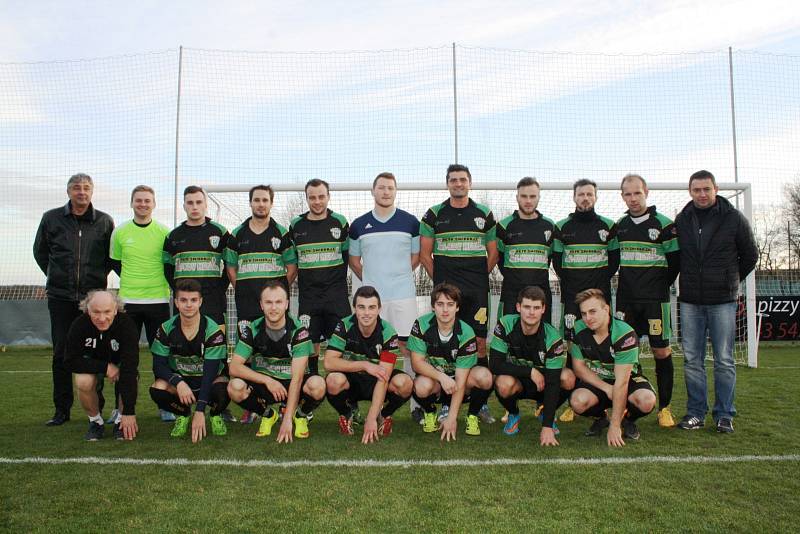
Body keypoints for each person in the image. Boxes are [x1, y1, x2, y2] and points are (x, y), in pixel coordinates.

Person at [675, 170, 757, 433]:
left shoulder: (733, 218)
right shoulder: (683, 219)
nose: (701, 194)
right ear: (690, 191)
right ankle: (696, 413)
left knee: (723, 359)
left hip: (722, 300)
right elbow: (676, 257)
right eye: (696, 189)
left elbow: (750, 255)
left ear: (716, 189)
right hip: (689, 301)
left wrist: (729, 280)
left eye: (706, 189)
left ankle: (724, 415)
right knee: (692, 360)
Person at [34, 172, 115, 426]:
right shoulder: (51, 219)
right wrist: (58, 276)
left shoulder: (104, 221)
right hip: (61, 297)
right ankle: (61, 409)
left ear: (92, 192)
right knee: (61, 353)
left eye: (86, 188)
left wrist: (95, 279)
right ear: (68, 191)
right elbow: (40, 253)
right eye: (77, 188)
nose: (82, 192)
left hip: (93, 301)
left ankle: (97, 406)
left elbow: (110, 258)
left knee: (95, 351)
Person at [419, 164, 497, 424]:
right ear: (447, 184)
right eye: (453, 180)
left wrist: (476, 279)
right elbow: (424, 255)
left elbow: (493, 253)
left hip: (476, 292)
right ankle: (444, 404)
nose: (458, 184)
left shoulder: (484, 214)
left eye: (463, 180)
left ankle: (481, 404)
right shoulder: (434, 214)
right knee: (445, 345)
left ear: (470, 183)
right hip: (447, 293)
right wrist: (441, 284)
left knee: (480, 343)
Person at [349, 172, 421, 421]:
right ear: (373, 191)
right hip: (372, 300)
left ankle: (416, 405)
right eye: (381, 187)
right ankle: (366, 403)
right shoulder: (358, 225)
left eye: (390, 188)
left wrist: (396, 276)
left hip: (402, 296)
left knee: (407, 347)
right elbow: (354, 261)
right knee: (371, 349)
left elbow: (415, 258)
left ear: (395, 191)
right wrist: (372, 277)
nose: (386, 192)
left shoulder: (410, 222)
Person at [615, 174, 680, 427]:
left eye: (637, 193)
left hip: (655, 301)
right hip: (626, 301)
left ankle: (664, 408)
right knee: (626, 354)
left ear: (646, 193)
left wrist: (657, 285)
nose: (633, 198)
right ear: (622, 196)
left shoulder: (664, 225)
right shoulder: (619, 226)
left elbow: (675, 263)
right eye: (628, 194)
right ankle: (626, 404)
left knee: (661, 351)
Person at [227, 280, 325, 442]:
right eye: (269, 302)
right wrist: (267, 380)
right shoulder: (252, 329)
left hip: (293, 384)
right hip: (266, 386)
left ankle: (299, 415)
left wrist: (287, 420)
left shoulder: (298, 331)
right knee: (234, 387)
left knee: (318, 385)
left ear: (286, 304)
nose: (273, 307)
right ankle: (268, 414)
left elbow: (298, 378)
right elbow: (234, 367)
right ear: (261, 305)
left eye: (278, 302)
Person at [109, 185, 173, 423]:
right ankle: (120, 408)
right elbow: (116, 263)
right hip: (128, 303)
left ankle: (165, 405)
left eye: (147, 200)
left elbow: (168, 265)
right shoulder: (120, 232)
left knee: (162, 356)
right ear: (132, 203)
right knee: (125, 356)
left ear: (154, 204)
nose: (143, 204)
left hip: (157, 301)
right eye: (139, 200)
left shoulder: (164, 232)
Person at [324, 286, 413, 443]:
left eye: (371, 307)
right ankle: (347, 413)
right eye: (361, 307)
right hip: (353, 381)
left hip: (377, 382)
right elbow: (329, 362)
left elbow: (383, 377)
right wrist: (364, 365)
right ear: (355, 308)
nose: (366, 313)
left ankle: (383, 415)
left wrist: (371, 417)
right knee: (333, 380)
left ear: (379, 309)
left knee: (405, 384)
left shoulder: (388, 331)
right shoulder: (344, 325)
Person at [569, 289, 656, 447]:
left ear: (606, 309)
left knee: (646, 400)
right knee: (577, 402)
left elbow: (621, 383)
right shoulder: (578, 329)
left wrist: (615, 426)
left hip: (626, 380)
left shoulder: (624, 334)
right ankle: (601, 418)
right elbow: (579, 368)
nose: (588, 318)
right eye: (584, 313)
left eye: (593, 311)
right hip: (599, 380)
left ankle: (627, 419)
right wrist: (606, 388)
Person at [408, 283, 493, 440]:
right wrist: (441, 377)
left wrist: (452, 418)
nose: (445, 310)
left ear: (457, 307)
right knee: (419, 385)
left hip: (460, 384)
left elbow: (460, 379)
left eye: (450, 304)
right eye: (440, 304)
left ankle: (472, 415)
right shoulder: (421, 325)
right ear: (433, 307)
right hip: (437, 383)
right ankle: (430, 412)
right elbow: (417, 363)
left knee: (485, 376)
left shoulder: (466, 332)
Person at [489, 286, 573, 446]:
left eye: (536, 308)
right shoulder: (505, 324)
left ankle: (545, 411)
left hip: (543, 385)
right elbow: (494, 364)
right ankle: (513, 414)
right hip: (517, 382)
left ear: (543, 309)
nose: (531, 312)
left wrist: (547, 426)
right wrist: (530, 371)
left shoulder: (552, 337)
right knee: (503, 383)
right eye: (527, 307)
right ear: (518, 307)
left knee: (567, 377)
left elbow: (554, 382)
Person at [149, 279, 230, 442]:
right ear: (176, 302)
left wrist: (200, 410)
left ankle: (214, 414)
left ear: (200, 301)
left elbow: (210, 373)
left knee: (226, 388)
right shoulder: (166, 328)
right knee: (158, 388)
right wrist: (178, 382)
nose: (188, 305)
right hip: (183, 384)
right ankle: (183, 413)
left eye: (193, 300)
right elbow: (158, 365)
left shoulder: (212, 330)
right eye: (183, 300)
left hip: (209, 382)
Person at [290, 179, 350, 377]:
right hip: (309, 297)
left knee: (342, 341)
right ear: (307, 198)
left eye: (321, 196)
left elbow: (346, 258)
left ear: (328, 196)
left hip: (336, 296)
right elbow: (294, 262)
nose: (317, 201)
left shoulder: (340, 222)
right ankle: (313, 381)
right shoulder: (296, 225)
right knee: (310, 341)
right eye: (312, 197)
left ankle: (343, 387)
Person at [64, 290, 139, 441]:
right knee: (83, 381)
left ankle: (120, 421)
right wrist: (105, 367)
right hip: (93, 365)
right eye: (96, 312)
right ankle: (96, 422)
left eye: (107, 312)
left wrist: (129, 412)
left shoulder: (126, 325)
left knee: (130, 376)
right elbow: (70, 360)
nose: (102, 318)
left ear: (116, 309)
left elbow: (130, 367)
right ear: (87, 310)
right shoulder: (79, 325)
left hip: (120, 366)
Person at [552, 179, 619, 343]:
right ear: (574, 197)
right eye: (581, 194)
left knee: (603, 339)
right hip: (571, 294)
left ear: (596, 197)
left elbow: (614, 261)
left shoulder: (609, 226)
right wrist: (572, 281)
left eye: (589, 194)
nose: (585, 198)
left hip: (600, 292)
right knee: (571, 340)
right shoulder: (561, 227)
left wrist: (599, 279)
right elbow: (557, 263)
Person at [225, 185, 297, 329]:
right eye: (256, 200)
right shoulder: (237, 234)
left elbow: (292, 268)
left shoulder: (281, 234)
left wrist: (279, 290)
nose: (261, 204)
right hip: (246, 301)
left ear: (271, 203)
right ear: (250, 202)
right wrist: (242, 288)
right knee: (247, 346)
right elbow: (230, 269)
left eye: (265, 200)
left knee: (276, 344)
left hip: (274, 304)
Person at [163, 185, 230, 325]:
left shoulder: (220, 232)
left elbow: (229, 264)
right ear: (184, 206)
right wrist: (179, 290)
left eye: (199, 202)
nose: (194, 207)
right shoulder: (173, 236)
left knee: (215, 343)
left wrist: (219, 289)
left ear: (205, 205)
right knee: (185, 344)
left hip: (213, 301)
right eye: (190, 203)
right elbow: (168, 269)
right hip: (185, 303)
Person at [495, 177, 556, 320]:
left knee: (541, 337)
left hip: (541, 293)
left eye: (532, 196)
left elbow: (550, 258)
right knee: (509, 335)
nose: (528, 201)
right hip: (511, 293)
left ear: (539, 197)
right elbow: (500, 259)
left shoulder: (549, 226)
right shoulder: (504, 226)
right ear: (517, 197)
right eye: (524, 196)